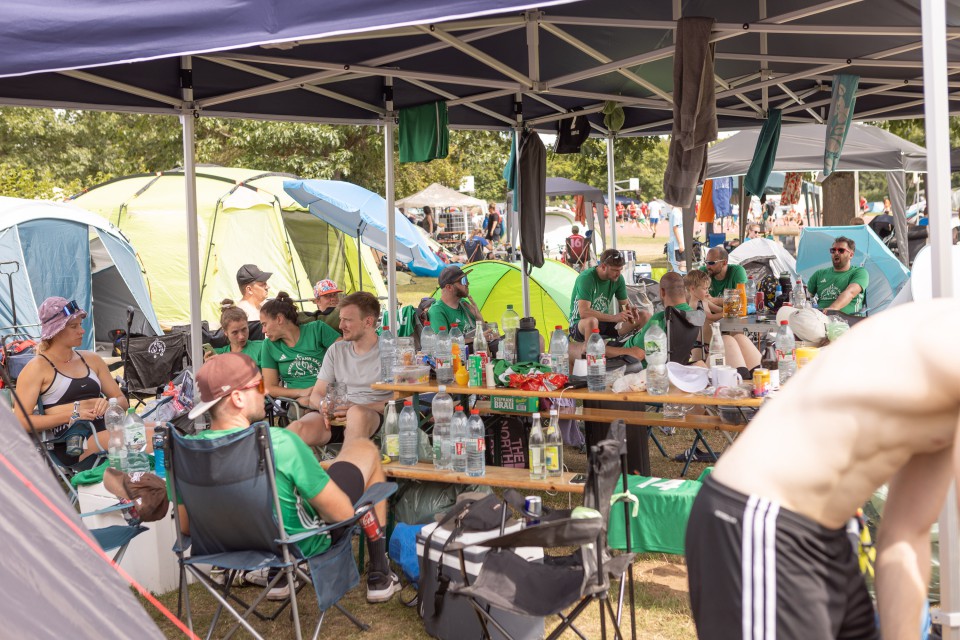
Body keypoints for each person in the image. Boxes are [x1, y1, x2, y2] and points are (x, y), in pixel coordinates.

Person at [685, 299, 960, 639]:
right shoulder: (947, 338)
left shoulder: (940, 400)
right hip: (762, 519)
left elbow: (906, 534)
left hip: (825, 535)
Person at [183, 353, 400, 603]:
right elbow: (341, 514)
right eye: (259, 386)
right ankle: (379, 575)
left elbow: (186, 526)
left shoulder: (186, 451)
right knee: (366, 451)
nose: (266, 392)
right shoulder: (278, 442)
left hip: (228, 548)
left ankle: (280, 577)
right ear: (238, 398)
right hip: (294, 543)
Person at [12, 297, 133, 464]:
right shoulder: (37, 368)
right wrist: (72, 415)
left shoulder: (91, 359)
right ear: (56, 331)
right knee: (148, 438)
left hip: (108, 431)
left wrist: (110, 404)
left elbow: (122, 401)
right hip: (73, 443)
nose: (82, 331)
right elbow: (21, 421)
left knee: (159, 431)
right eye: (74, 326)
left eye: (80, 325)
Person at [292, 292, 393, 446]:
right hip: (336, 416)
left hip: (373, 416)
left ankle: (348, 460)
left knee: (356, 414)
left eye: (347, 320)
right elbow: (316, 394)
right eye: (341, 319)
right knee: (297, 429)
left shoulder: (392, 352)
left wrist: (356, 407)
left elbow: (406, 400)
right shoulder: (336, 350)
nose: (340, 326)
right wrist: (324, 405)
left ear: (368, 322)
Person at [260, 292, 340, 402]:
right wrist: (301, 392)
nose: (263, 330)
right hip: (297, 401)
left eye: (265, 324)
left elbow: (346, 352)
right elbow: (270, 388)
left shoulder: (317, 329)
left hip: (329, 393)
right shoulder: (269, 345)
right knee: (304, 403)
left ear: (279, 319)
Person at [605, 272, 689, 363]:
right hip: (671, 364)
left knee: (597, 346)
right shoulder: (693, 315)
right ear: (684, 291)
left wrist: (601, 349)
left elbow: (637, 355)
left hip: (628, 363)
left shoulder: (662, 319)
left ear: (662, 292)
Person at [568, 249, 646, 343]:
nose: (618, 274)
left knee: (644, 316)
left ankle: (639, 349)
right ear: (603, 266)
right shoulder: (587, 278)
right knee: (592, 321)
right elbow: (584, 313)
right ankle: (591, 350)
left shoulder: (618, 279)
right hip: (580, 325)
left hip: (604, 322)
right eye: (615, 270)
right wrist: (614, 317)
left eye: (620, 270)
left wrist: (629, 312)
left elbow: (624, 306)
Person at [806, 236, 869, 315]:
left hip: (848, 320)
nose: (836, 253)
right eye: (833, 250)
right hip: (820, 318)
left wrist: (832, 308)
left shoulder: (860, 272)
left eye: (841, 250)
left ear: (851, 255)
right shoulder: (819, 274)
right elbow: (805, 297)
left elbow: (850, 293)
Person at [428, 266, 484, 334]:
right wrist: (477, 337)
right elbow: (442, 339)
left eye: (466, 279)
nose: (467, 284)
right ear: (449, 287)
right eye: (463, 280)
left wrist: (479, 318)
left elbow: (484, 331)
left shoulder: (464, 304)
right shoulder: (437, 311)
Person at [205, 300, 263, 365]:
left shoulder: (262, 347)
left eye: (244, 329)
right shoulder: (217, 354)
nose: (241, 336)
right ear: (225, 332)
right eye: (235, 332)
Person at [700, 246, 747, 312]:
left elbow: (742, 300)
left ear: (724, 262)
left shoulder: (737, 271)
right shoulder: (703, 272)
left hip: (732, 316)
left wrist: (715, 301)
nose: (707, 267)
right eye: (706, 262)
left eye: (711, 263)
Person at [667, 205, 685, 272]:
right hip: (677, 244)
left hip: (677, 243)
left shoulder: (676, 211)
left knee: (678, 267)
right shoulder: (676, 212)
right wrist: (680, 243)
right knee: (682, 265)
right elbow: (675, 228)